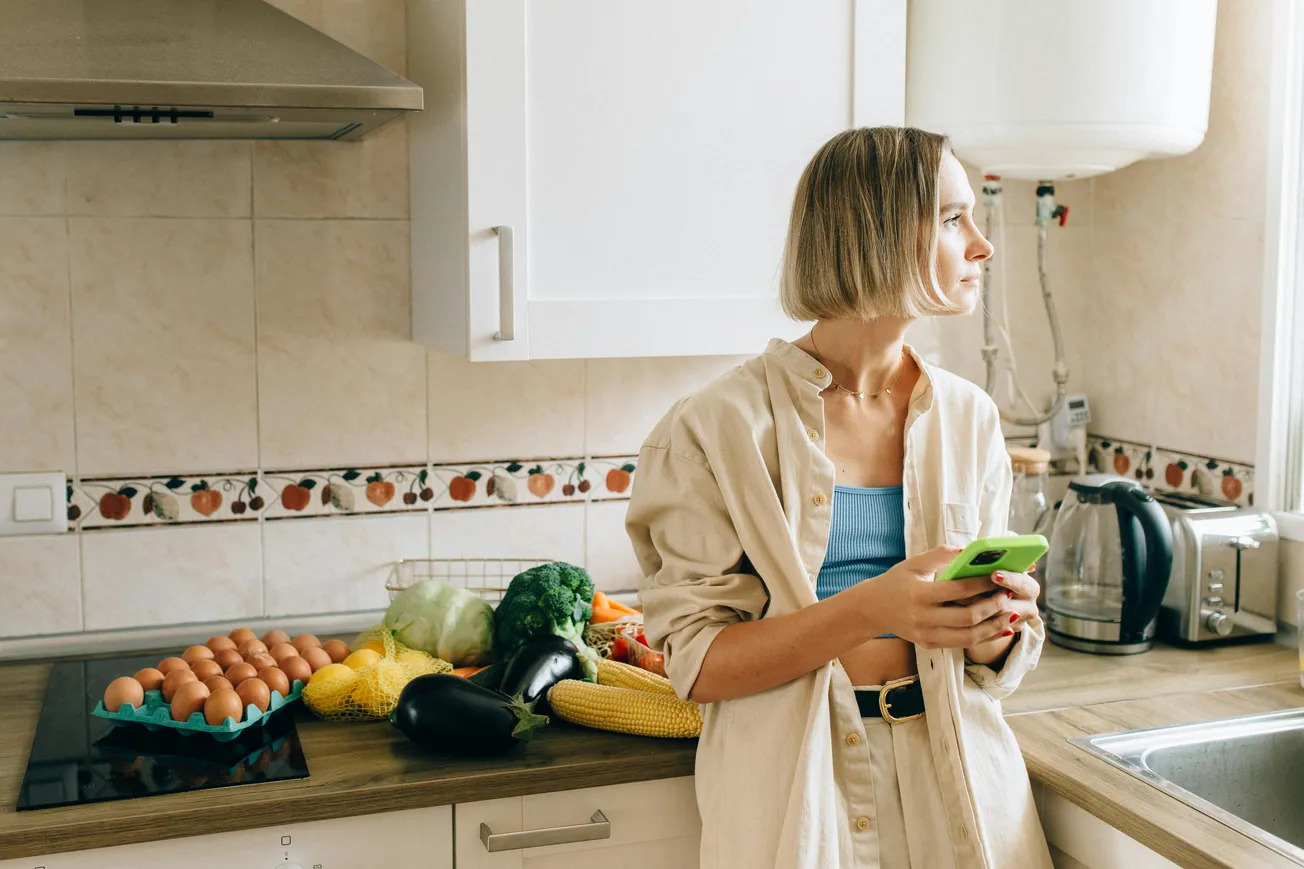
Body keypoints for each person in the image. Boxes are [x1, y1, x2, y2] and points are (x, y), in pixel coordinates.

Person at [624, 126, 1054, 869]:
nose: (981, 245)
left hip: (962, 784)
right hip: (793, 795)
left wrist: (996, 625)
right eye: (954, 219)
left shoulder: (969, 417)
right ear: (878, 235)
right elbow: (697, 664)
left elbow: (991, 658)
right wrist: (872, 607)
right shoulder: (714, 429)